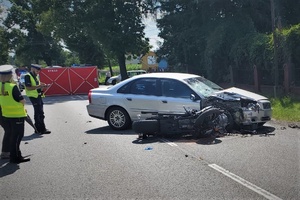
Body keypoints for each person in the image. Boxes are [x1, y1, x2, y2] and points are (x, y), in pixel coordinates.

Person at [0, 65, 30, 163]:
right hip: (17, 115)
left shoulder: (1, 86)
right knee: (17, 137)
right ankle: (15, 157)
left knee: (12, 135)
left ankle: (12, 154)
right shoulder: (12, 87)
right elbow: (22, 101)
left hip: (6, 114)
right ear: (10, 75)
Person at [24, 64, 51, 134]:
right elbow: (28, 87)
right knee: (39, 113)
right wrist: (39, 86)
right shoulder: (27, 76)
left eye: (39, 71)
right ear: (32, 69)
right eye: (37, 70)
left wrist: (44, 85)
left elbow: (37, 83)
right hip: (33, 96)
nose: (38, 72)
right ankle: (40, 129)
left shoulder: (35, 76)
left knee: (40, 113)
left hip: (38, 95)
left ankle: (40, 129)